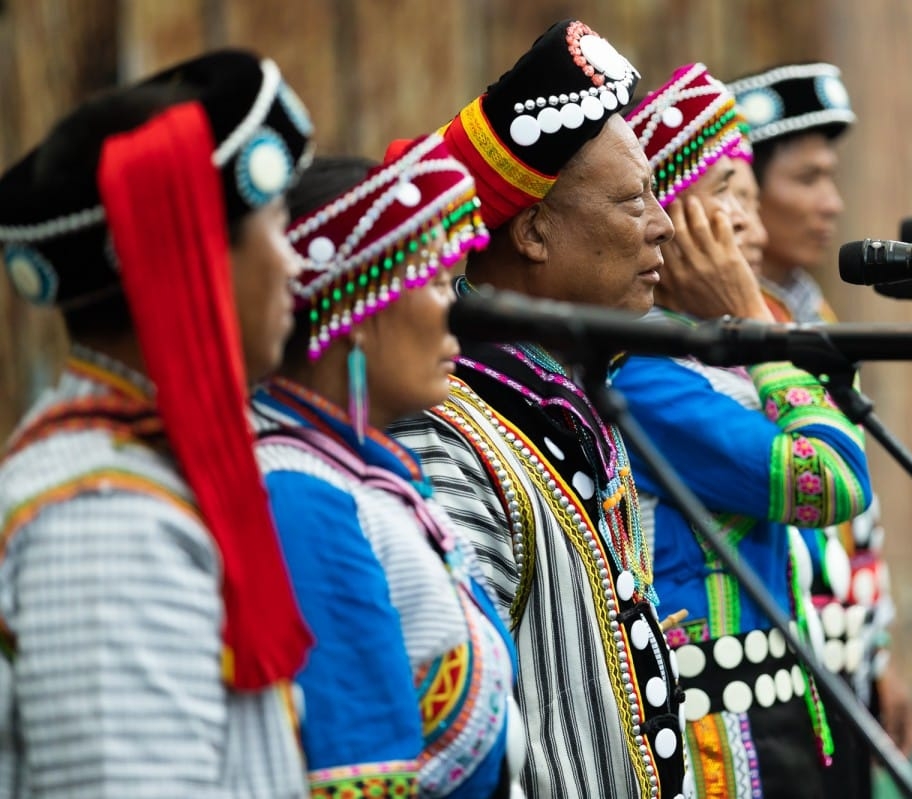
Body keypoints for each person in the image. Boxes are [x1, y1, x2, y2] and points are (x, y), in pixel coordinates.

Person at [0, 50, 315, 796]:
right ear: (193, 257)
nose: (297, 264)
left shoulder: (146, 471)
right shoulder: (107, 520)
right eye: (277, 225)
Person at [389, 19, 688, 799]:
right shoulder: (447, 429)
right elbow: (463, 736)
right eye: (633, 201)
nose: (663, 223)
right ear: (532, 230)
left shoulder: (564, 402)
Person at [617, 63, 873, 799]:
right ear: (666, 216)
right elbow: (835, 479)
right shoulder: (645, 374)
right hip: (720, 738)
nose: (755, 232)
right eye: (732, 199)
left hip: (774, 713)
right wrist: (757, 321)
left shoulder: (703, 359)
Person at [252, 139, 523, 797]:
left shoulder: (363, 477)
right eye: (432, 281)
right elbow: (358, 769)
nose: (451, 306)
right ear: (357, 312)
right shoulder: (303, 500)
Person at [727, 63, 912, 797]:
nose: (831, 203)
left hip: (844, 667)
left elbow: (857, 512)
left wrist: (878, 654)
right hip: (775, 682)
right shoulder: (722, 338)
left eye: (831, 178)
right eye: (805, 179)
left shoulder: (815, 315)